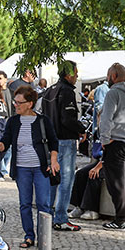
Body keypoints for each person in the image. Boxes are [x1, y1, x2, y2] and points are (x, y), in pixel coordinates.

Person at [0, 86, 62, 246]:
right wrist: (1, 146)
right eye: (15, 102)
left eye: (19, 102)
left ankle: (44, 237)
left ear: (30, 104)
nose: (15, 105)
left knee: (43, 204)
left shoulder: (43, 121)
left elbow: (53, 142)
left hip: (41, 168)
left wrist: (54, 160)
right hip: (21, 168)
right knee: (25, 204)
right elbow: (6, 140)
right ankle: (29, 236)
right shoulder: (13, 121)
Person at [97, 63, 125, 230]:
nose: (107, 78)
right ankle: (124, 217)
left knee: (116, 183)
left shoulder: (113, 93)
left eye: (108, 75)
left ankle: (120, 219)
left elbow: (106, 118)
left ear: (114, 76)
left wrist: (104, 139)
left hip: (116, 141)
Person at [42, 61, 88, 229]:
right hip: (65, 141)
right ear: (68, 74)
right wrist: (81, 129)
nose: (77, 76)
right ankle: (61, 218)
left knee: (52, 179)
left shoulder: (49, 90)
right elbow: (68, 119)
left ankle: (46, 216)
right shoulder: (66, 91)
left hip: (50, 141)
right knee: (65, 181)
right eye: (75, 73)